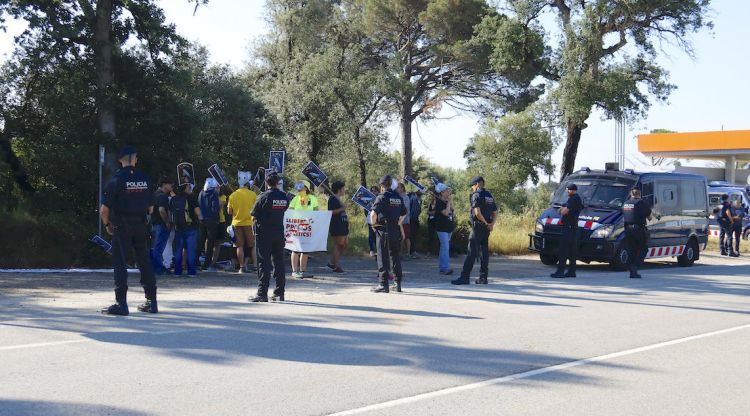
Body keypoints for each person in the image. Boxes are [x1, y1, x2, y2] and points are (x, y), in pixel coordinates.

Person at [99, 146, 158, 315]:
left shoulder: (116, 180)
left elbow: (104, 210)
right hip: (140, 224)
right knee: (144, 261)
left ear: (120, 159)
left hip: (122, 226)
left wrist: (106, 225)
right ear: (133, 159)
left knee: (120, 263)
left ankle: (121, 303)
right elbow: (151, 207)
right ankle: (152, 302)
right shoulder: (145, 178)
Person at [249, 172, 290, 302]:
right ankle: (279, 293)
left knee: (264, 263)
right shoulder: (284, 197)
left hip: (264, 234)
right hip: (279, 233)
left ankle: (262, 293)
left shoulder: (263, 196)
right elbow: (284, 210)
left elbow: (254, 214)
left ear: (266, 183)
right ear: (278, 182)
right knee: (279, 263)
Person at [452, 176, 497, 285]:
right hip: (487, 228)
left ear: (477, 184)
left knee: (471, 251)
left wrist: (486, 223)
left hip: (478, 226)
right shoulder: (489, 195)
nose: (472, 188)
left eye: (472, 185)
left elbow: (477, 212)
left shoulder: (476, 195)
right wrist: (491, 224)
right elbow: (495, 212)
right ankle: (483, 277)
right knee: (484, 253)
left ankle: (464, 277)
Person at [370, 175, 407, 293]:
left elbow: (373, 214)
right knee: (395, 256)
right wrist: (397, 223)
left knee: (382, 256)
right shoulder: (398, 197)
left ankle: (383, 284)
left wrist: (374, 226)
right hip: (394, 229)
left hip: (383, 229)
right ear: (391, 184)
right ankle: (397, 283)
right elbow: (404, 213)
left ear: (381, 186)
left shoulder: (382, 197)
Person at [550, 183, 584, 278]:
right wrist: (563, 208)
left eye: (568, 189)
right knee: (572, 252)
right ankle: (572, 272)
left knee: (563, 251)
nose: (567, 191)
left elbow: (564, 211)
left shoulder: (573, 199)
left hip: (568, 229)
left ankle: (560, 272)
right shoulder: (576, 199)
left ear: (572, 190)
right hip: (573, 229)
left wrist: (561, 210)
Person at [228, 175, 258, 273]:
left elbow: (229, 212)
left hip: (236, 223)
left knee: (239, 246)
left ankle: (241, 267)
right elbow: (256, 209)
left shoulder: (233, 195)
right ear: (247, 184)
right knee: (252, 245)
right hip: (249, 222)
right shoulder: (253, 194)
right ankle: (255, 266)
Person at [289, 180, 319, 279]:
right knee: (295, 249)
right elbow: (290, 211)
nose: (299, 188)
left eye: (301, 186)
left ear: (306, 187)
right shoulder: (295, 199)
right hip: (296, 227)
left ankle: (302, 271)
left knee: (305, 250)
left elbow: (316, 212)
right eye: (298, 186)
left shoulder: (313, 198)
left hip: (307, 227)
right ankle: (294, 271)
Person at [171, 179, 201, 277]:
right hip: (191, 226)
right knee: (191, 249)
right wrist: (200, 218)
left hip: (178, 226)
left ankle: (177, 271)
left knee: (178, 250)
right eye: (188, 186)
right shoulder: (191, 198)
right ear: (186, 187)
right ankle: (191, 271)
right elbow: (198, 212)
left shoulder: (174, 198)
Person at [622, 188, 652, 279]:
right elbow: (649, 217)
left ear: (631, 194)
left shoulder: (626, 203)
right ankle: (635, 266)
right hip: (638, 229)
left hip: (627, 229)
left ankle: (632, 271)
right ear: (639, 194)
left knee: (631, 249)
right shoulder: (641, 203)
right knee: (643, 249)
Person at [149, 176, 173, 275]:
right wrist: (167, 222)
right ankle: (158, 269)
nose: (172, 186)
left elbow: (150, 210)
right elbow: (162, 210)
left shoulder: (153, 195)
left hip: (154, 224)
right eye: (170, 184)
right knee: (159, 248)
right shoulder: (163, 196)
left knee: (155, 247)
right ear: (164, 184)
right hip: (161, 224)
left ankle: (155, 267)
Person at [198, 178, 221, 271]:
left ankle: (195, 262)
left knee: (200, 241)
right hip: (211, 220)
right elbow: (215, 208)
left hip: (202, 219)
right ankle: (207, 264)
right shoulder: (214, 193)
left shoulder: (201, 193)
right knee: (210, 243)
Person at [327, 180, 349, 273]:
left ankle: (332, 263)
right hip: (336, 225)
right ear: (339, 189)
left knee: (344, 244)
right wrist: (342, 208)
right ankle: (336, 267)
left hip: (343, 224)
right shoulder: (332, 199)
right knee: (338, 244)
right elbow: (331, 212)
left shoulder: (339, 198)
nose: (344, 190)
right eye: (343, 188)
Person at [434, 183, 455, 275]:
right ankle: (444, 268)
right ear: (442, 192)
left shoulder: (445, 201)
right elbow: (446, 213)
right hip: (442, 228)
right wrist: (449, 203)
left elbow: (452, 210)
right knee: (445, 247)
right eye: (446, 191)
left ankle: (443, 267)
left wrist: (450, 201)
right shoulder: (439, 203)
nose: (448, 192)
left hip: (449, 227)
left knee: (445, 248)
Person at [396, 183, 412, 259]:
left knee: (406, 237)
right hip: (397, 221)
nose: (396, 189)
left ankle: (408, 253)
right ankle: (400, 253)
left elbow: (406, 209)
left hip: (405, 221)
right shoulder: (396, 197)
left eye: (398, 187)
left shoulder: (406, 197)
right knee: (400, 237)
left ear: (402, 188)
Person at [408, 189, 423, 258]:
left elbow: (419, 210)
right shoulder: (412, 198)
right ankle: (411, 252)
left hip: (415, 219)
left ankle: (413, 251)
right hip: (410, 219)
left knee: (414, 236)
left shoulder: (419, 199)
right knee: (411, 236)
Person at [366, 186, 379, 257]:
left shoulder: (379, 199)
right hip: (370, 220)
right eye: (372, 191)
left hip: (377, 220)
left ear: (378, 191)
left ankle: (378, 249)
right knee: (371, 235)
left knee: (377, 235)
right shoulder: (369, 199)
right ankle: (372, 250)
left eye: (375, 191)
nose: (373, 192)